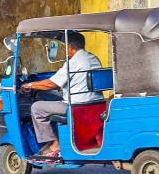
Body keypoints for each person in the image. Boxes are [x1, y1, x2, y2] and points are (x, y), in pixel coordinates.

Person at [20, 31, 103, 159]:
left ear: (69, 46)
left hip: (75, 106)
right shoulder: (93, 58)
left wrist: (29, 85)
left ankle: (55, 144)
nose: (66, 49)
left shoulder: (73, 62)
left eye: (65, 46)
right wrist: (63, 86)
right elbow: (83, 80)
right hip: (95, 104)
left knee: (36, 107)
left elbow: (49, 84)